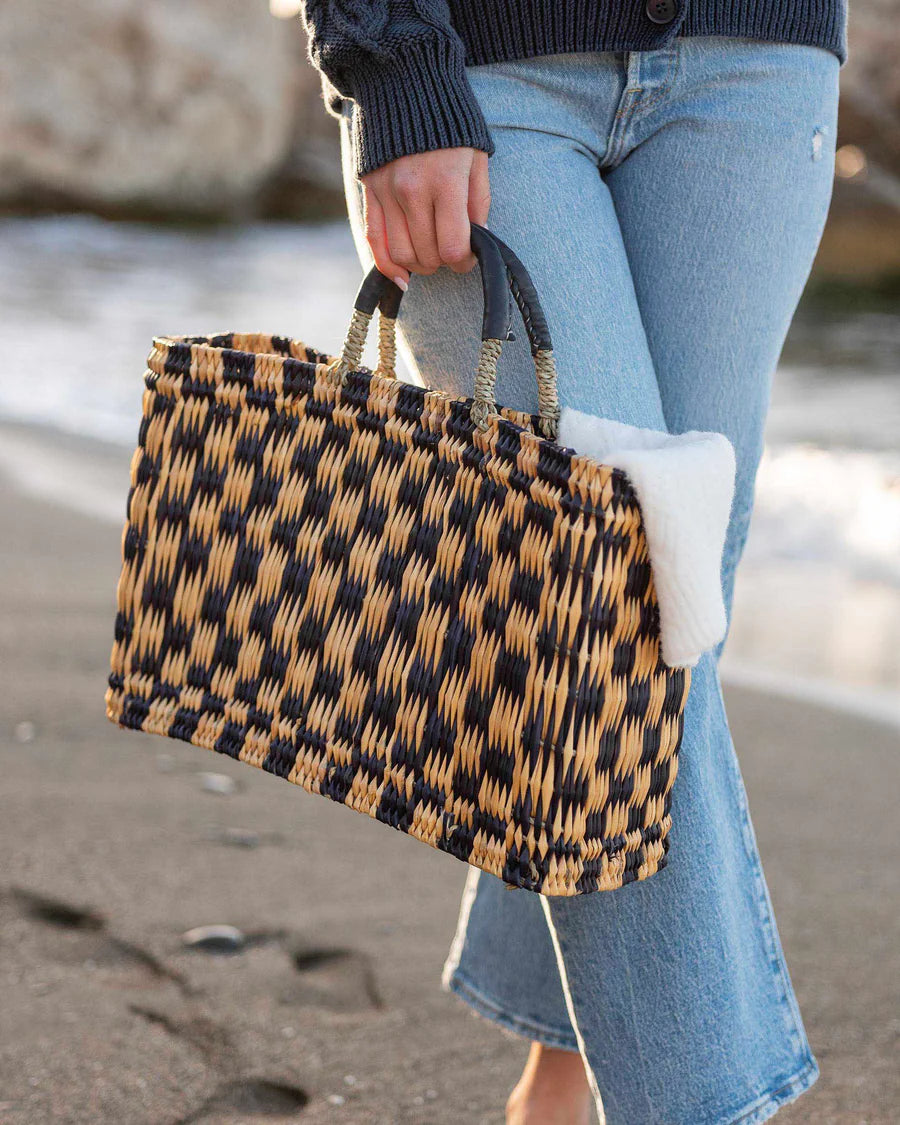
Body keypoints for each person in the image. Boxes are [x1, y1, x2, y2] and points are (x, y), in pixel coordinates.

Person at [298, 3, 846, 1122]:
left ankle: (562, 1056)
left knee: (678, 597)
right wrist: (391, 67)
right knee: (612, 585)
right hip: (479, 68)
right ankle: (699, 1102)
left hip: (760, 65)